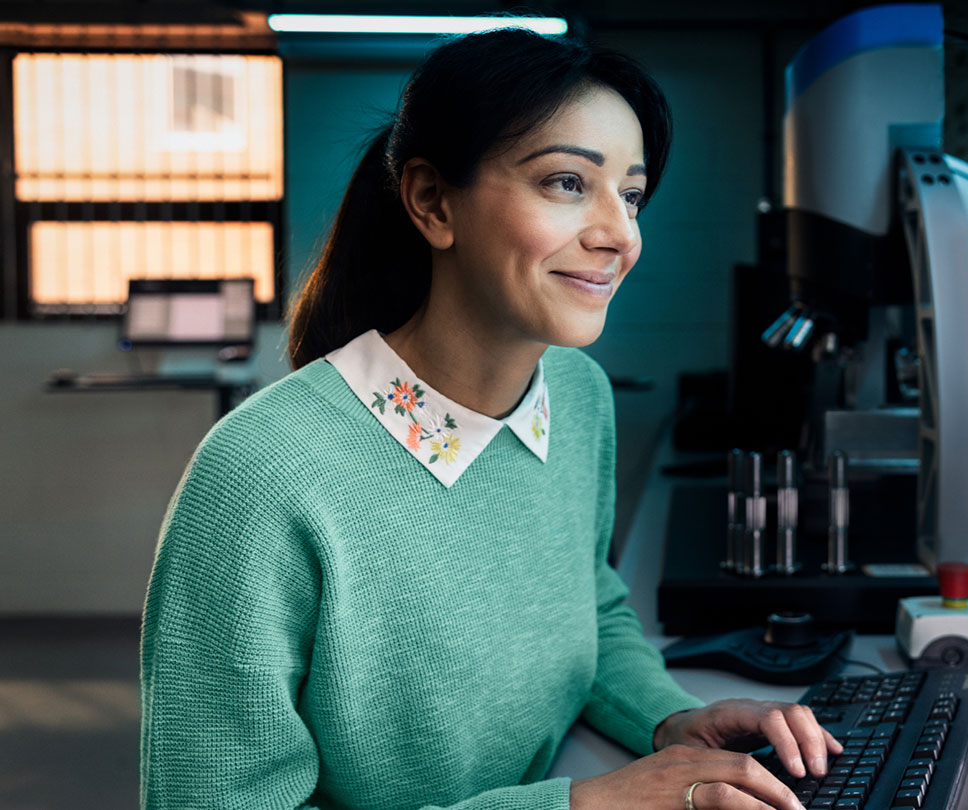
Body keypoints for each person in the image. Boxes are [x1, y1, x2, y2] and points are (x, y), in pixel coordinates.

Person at [139, 28, 840, 810]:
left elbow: (586, 601)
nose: (619, 234)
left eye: (632, 193)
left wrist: (670, 717)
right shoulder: (262, 474)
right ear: (433, 202)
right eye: (567, 182)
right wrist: (579, 806)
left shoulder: (576, 396)